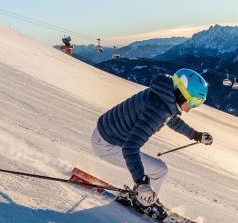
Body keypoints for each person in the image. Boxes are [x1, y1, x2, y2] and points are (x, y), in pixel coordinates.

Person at [91, 69, 213, 207]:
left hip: (105, 134)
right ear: (182, 94)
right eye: (193, 102)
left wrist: (196, 135)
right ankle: (144, 203)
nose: (191, 108)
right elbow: (130, 147)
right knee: (159, 170)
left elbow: (172, 120)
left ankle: (143, 196)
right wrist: (141, 183)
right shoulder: (159, 111)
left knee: (153, 167)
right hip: (108, 145)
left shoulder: (162, 96)